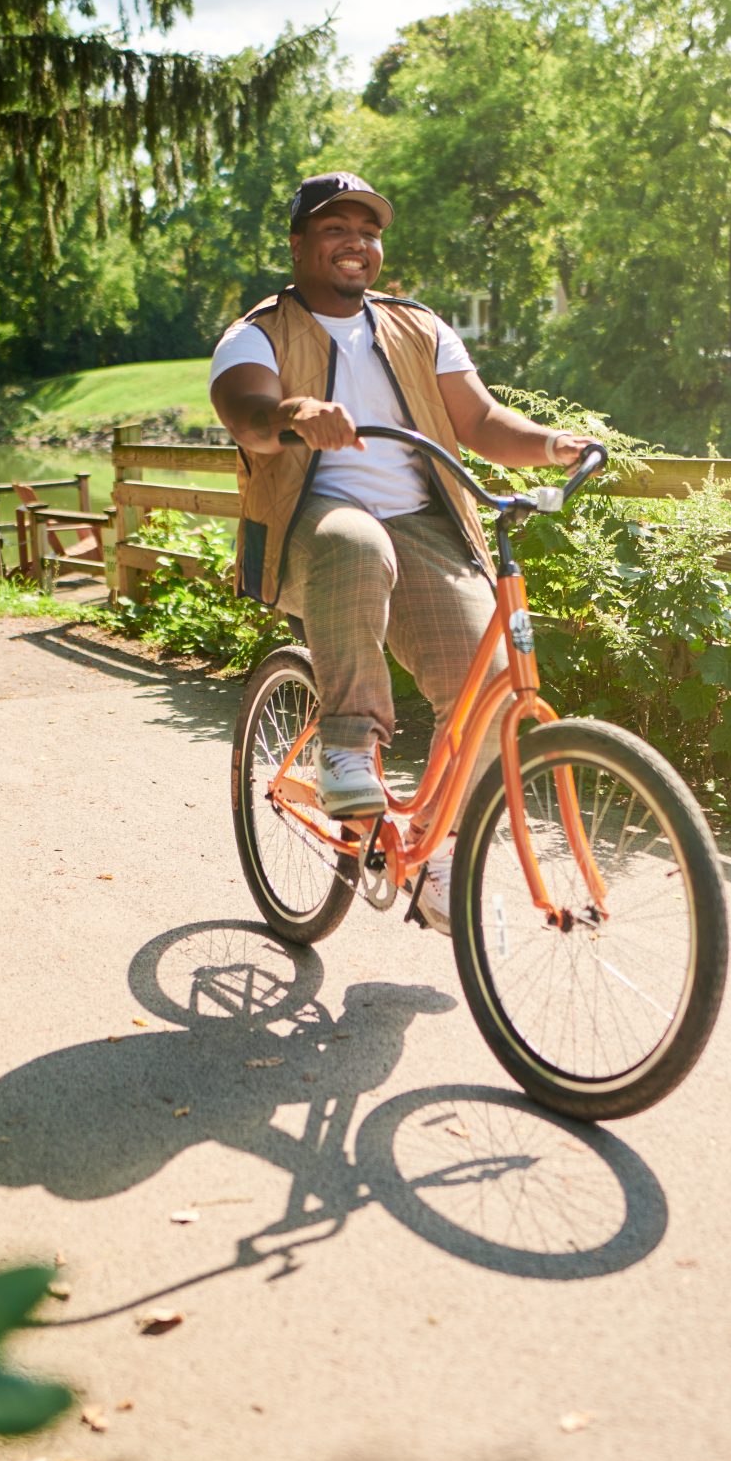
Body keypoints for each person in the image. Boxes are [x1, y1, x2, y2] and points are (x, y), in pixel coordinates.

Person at [209, 171, 597, 930]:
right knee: (356, 546)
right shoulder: (257, 332)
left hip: (422, 520)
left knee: (487, 685)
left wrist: (552, 444)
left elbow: (481, 421)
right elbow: (247, 414)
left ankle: (439, 854)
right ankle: (347, 750)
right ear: (297, 245)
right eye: (334, 228)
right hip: (313, 521)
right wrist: (296, 412)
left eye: (368, 230)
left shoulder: (418, 326)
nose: (356, 242)